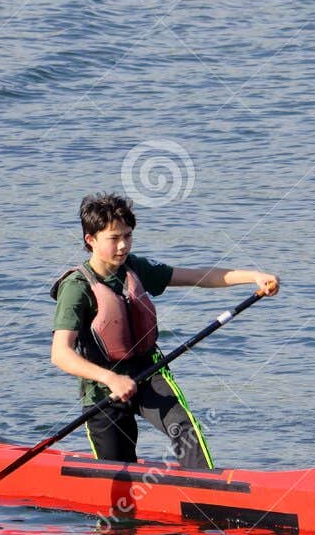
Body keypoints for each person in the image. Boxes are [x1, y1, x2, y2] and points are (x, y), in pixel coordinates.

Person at [50, 193, 278, 470]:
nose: (123, 246)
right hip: (102, 388)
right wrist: (111, 378)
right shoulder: (76, 286)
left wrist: (253, 277)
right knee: (117, 469)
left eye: (128, 236)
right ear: (91, 240)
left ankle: (205, 492)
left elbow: (198, 276)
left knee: (186, 429)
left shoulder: (136, 268)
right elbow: (60, 354)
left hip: (149, 373)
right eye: (114, 238)